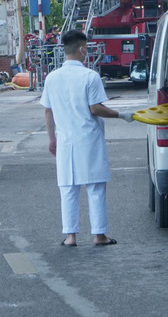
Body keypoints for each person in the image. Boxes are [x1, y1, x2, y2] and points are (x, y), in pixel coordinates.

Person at [40, 30, 134, 247]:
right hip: (89, 139)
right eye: (87, 48)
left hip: (65, 141)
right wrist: (121, 115)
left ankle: (70, 236)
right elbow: (96, 108)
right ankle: (99, 235)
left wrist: (51, 139)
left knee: (68, 188)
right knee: (95, 187)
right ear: (82, 49)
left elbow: (48, 111)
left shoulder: (51, 78)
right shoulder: (90, 76)